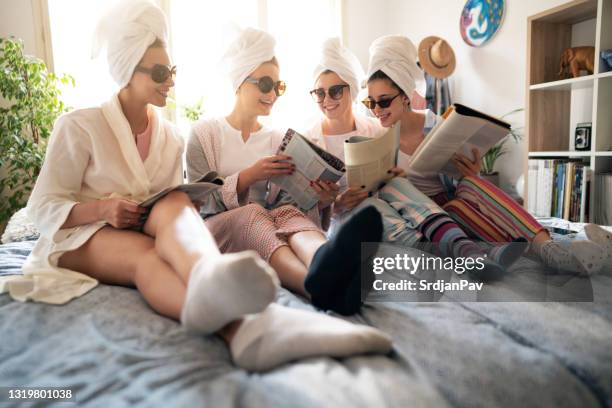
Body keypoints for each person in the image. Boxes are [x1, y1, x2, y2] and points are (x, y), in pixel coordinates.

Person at [0, 2, 392, 372]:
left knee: (174, 201)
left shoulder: (169, 135)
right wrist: (103, 209)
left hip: (148, 225)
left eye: (171, 70)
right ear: (127, 70)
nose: (170, 80)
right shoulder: (79, 126)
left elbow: (176, 205)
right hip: (83, 232)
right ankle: (242, 328)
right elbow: (43, 206)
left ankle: (215, 275)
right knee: (147, 257)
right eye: (158, 73)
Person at [364, 34, 610, 275]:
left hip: (457, 203)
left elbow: (461, 179)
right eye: (370, 103)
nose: (376, 110)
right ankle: (553, 245)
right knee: (465, 212)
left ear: (406, 97)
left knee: (471, 185)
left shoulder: (436, 123)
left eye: (383, 102)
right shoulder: (379, 140)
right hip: (431, 220)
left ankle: (550, 251)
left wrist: (472, 171)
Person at [186, 28, 385, 316]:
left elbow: (285, 205)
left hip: (266, 222)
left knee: (288, 214)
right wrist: (248, 177)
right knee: (253, 212)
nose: (272, 94)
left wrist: (323, 199)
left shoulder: (279, 138)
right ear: (240, 81)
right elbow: (198, 203)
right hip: (218, 229)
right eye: (265, 84)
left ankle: (325, 259)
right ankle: (313, 285)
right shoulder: (204, 134)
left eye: (278, 87)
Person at [301, 38, 528, 281]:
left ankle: (471, 250)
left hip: (398, 203)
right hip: (354, 213)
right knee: (370, 207)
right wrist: (335, 203)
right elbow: (304, 209)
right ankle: (469, 252)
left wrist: (394, 176)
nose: (327, 99)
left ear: (351, 90)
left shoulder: (376, 130)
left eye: (335, 90)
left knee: (395, 185)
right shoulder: (308, 140)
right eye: (319, 93)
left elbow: (393, 180)